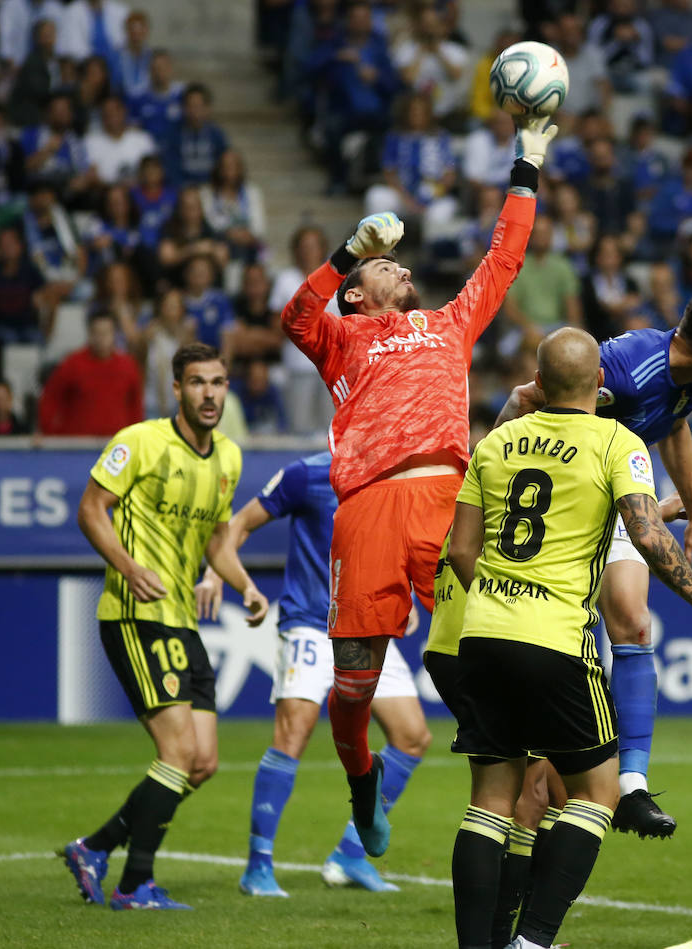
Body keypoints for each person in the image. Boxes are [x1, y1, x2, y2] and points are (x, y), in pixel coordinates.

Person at [279, 117, 554, 858]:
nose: (398, 266)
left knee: (492, 635)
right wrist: (347, 253)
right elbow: (295, 314)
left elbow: (504, 258)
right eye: (383, 265)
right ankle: (361, 782)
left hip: (444, 498)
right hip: (366, 507)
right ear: (356, 296)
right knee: (354, 688)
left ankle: (526, 759)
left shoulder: (447, 324)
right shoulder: (341, 339)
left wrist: (526, 162)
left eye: (396, 260)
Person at [448, 327, 692, 949]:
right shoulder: (617, 440)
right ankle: (533, 942)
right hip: (554, 639)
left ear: (539, 383)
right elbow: (649, 535)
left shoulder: (494, 445)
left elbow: (461, 550)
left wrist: (500, 604)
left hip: (482, 636)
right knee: (597, 794)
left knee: (488, 805)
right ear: (600, 384)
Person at [497, 283, 692, 838]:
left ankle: (633, 789)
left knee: (635, 622)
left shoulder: (685, 379)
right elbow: (526, 396)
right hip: (566, 514)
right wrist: (492, 480)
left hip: (620, 499)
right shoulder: (625, 373)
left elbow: (675, 426)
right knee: (541, 778)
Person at [58, 342, 269, 910]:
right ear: (176, 389)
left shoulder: (228, 456)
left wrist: (245, 585)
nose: (209, 393)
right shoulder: (140, 442)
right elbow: (89, 509)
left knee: (202, 763)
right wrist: (127, 567)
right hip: (135, 615)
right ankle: (134, 885)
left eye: (219, 383)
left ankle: (94, 848)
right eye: (198, 382)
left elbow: (218, 542)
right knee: (176, 754)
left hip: (181, 619)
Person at [194, 453, 431, 896]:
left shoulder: (390, 474)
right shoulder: (308, 474)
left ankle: (350, 855)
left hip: (367, 627)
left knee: (412, 736)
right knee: (294, 733)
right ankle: (257, 867)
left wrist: (410, 594)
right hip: (311, 623)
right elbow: (239, 524)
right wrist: (215, 574)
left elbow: (400, 542)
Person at [37, 312, 144, 435]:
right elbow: (50, 398)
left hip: (117, 447)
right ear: (89, 334)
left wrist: (134, 436)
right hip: (77, 447)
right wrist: (50, 433)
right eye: (96, 333)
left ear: (114, 334)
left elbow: (136, 407)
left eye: (106, 332)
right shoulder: (72, 364)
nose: (101, 338)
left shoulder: (128, 366)